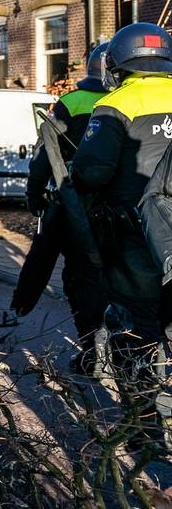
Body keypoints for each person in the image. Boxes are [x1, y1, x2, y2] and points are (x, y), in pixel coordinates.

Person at [71, 22, 172, 445]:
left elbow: (90, 171)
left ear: (118, 64)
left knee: (134, 326)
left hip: (131, 235)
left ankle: (142, 425)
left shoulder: (117, 104)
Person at [19, 42, 110, 373]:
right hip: (135, 203)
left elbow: (46, 153)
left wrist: (34, 194)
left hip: (80, 205)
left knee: (81, 277)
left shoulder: (71, 103)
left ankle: (94, 351)